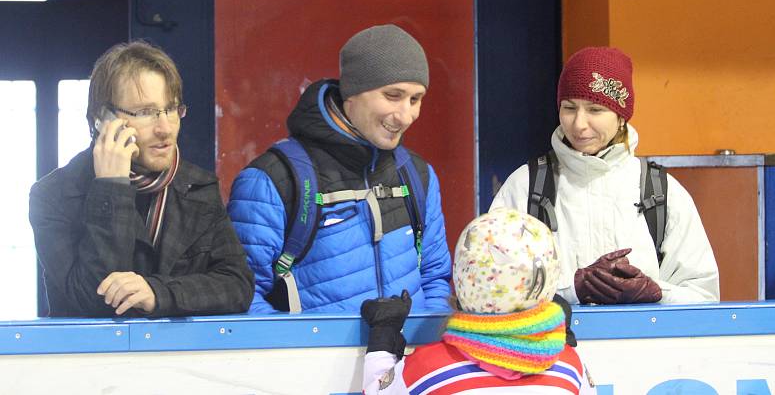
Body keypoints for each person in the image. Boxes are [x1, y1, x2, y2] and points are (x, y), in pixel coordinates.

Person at [228, 24, 451, 313]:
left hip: (409, 355)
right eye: (392, 96)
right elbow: (244, 294)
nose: (406, 116)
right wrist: (304, 353)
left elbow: (435, 278)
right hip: (312, 357)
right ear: (352, 93)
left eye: (415, 99)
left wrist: (424, 345)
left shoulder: (418, 175)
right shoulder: (272, 179)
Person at [29, 41, 254, 317]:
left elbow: (237, 287)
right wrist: (111, 188)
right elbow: (92, 300)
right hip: (92, 358)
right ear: (103, 117)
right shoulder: (54, 195)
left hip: (182, 357)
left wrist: (157, 292)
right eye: (146, 113)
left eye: (171, 109)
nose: (165, 128)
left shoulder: (197, 186)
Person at [490, 46, 719, 305]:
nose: (579, 124)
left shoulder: (661, 191)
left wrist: (656, 293)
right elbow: (491, 288)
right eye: (569, 108)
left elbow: (704, 296)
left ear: (621, 116)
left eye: (595, 109)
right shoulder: (526, 186)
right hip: (554, 344)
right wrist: (571, 291)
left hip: (644, 345)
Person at [360, 207, 597, 394]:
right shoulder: (570, 367)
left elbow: (375, 392)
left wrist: (383, 335)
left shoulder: (426, 369)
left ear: (464, 277)